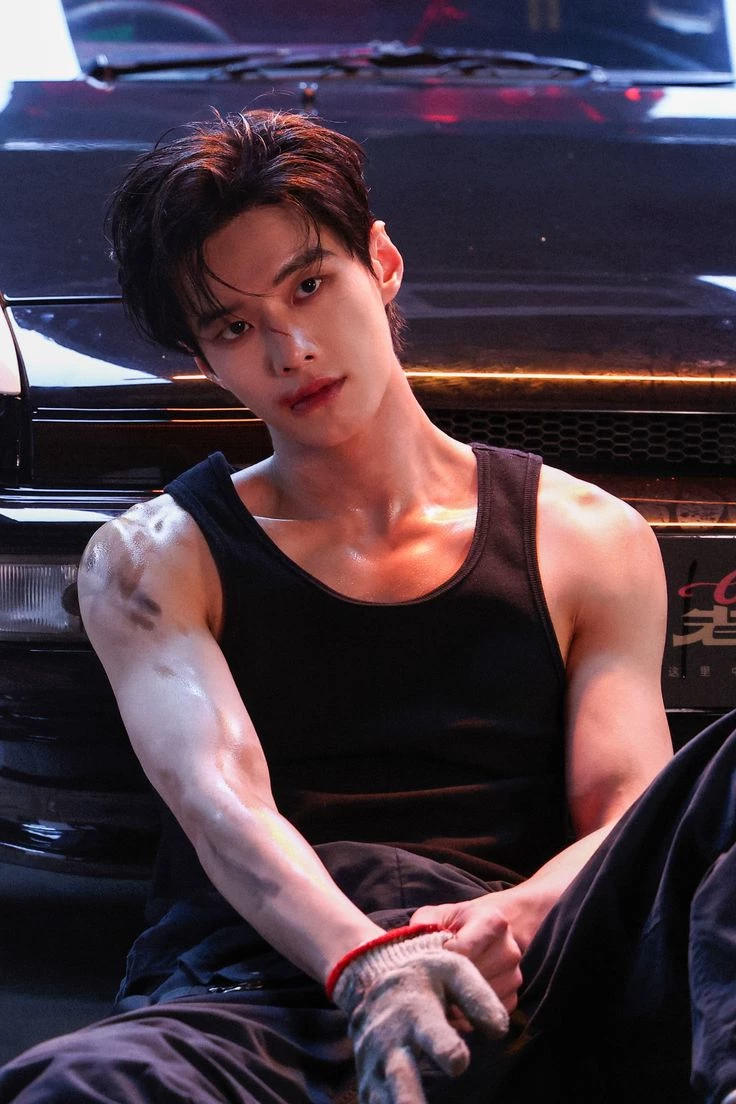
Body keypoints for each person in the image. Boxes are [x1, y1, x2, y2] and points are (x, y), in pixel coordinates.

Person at [0, 108, 734, 1104]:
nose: (290, 348)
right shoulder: (153, 557)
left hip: (531, 972)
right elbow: (223, 804)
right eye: (234, 327)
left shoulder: (587, 535)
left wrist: (510, 919)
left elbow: (625, 816)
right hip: (264, 990)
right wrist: (365, 964)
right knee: (75, 1086)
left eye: (309, 285)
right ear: (205, 360)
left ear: (380, 264)